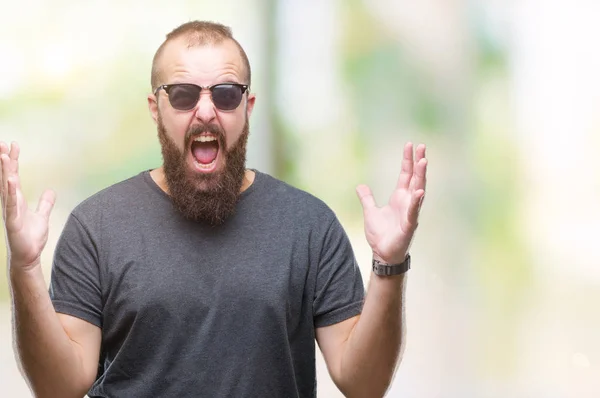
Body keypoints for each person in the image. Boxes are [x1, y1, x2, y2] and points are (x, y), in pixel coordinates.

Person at [0, 21, 427, 398]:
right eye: (183, 95)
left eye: (225, 95)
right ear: (156, 109)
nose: (206, 111)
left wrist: (389, 264)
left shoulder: (310, 226)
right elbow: (59, 389)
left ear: (248, 107)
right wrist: (24, 266)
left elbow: (365, 386)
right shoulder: (96, 227)